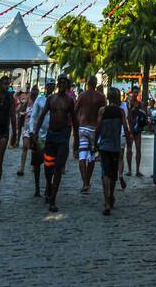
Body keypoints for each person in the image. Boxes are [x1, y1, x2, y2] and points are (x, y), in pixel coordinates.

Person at [36, 76, 78, 212]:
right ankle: (49, 185)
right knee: (48, 166)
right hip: (51, 135)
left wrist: (76, 140)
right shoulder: (51, 99)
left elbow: (75, 120)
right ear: (57, 84)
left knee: (59, 167)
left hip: (63, 136)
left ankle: (53, 200)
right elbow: (42, 115)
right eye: (60, 82)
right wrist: (35, 132)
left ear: (67, 85)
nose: (62, 84)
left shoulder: (69, 101)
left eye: (65, 82)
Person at [95, 88, 132, 216]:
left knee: (105, 173)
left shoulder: (102, 111)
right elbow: (126, 129)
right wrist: (129, 143)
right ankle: (111, 197)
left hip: (104, 146)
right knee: (113, 174)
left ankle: (107, 203)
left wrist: (95, 142)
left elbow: (98, 127)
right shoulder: (120, 111)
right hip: (116, 147)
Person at [75, 76, 106, 193]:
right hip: (95, 128)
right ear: (96, 83)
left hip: (83, 127)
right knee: (92, 157)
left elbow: (75, 110)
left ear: (88, 84)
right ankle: (87, 181)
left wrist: (76, 124)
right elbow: (104, 113)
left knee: (82, 157)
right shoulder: (101, 97)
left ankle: (85, 183)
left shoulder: (82, 95)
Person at [16, 85, 39, 178]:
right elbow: (19, 110)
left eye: (36, 90)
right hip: (27, 127)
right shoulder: (28, 100)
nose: (35, 92)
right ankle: (22, 168)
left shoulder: (40, 101)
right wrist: (23, 110)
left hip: (36, 128)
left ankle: (34, 165)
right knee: (25, 147)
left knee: (34, 149)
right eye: (33, 90)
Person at [126, 88, 148, 177]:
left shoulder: (140, 104)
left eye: (136, 93)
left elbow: (144, 115)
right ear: (132, 93)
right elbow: (127, 117)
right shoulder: (128, 104)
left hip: (137, 129)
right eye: (134, 93)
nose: (135, 94)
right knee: (129, 150)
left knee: (138, 149)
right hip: (130, 129)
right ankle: (129, 170)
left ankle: (137, 170)